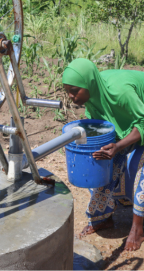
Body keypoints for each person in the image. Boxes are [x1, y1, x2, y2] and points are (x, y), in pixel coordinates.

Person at [62, 58, 144, 252]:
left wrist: (118, 146)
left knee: (141, 173)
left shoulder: (120, 92)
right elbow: (103, 124)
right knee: (102, 162)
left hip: (141, 120)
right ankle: (102, 217)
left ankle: (138, 228)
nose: (71, 96)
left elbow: (143, 122)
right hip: (130, 124)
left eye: (74, 90)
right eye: (68, 91)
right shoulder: (93, 93)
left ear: (88, 84)